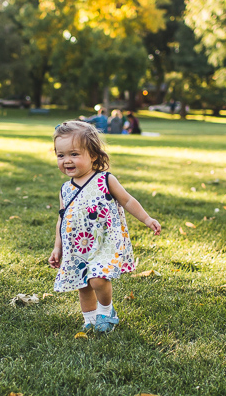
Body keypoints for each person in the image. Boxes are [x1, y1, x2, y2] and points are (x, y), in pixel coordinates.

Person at [49, 121, 161, 333]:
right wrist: (58, 247)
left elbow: (128, 201)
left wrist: (147, 219)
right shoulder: (65, 189)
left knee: (98, 280)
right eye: (61, 155)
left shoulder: (105, 180)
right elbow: (62, 219)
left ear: (93, 155)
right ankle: (90, 319)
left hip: (104, 243)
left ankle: (106, 311)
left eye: (74, 154)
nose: (67, 161)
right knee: (82, 283)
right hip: (77, 247)